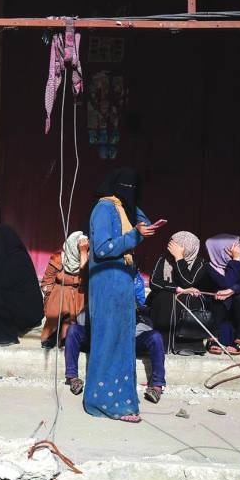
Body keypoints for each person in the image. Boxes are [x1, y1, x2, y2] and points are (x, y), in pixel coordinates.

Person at [84, 167, 157, 423]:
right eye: (128, 188)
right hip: (106, 283)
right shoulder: (103, 208)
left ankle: (124, 402)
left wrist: (136, 213)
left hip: (123, 283)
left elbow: (142, 223)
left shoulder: (123, 208)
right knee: (108, 342)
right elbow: (103, 248)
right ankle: (101, 401)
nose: (131, 192)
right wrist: (136, 234)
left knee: (123, 344)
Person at [65, 273, 166, 402]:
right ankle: (72, 378)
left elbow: (146, 325)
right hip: (99, 338)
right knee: (73, 330)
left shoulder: (131, 300)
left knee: (155, 337)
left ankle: (157, 386)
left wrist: (127, 326)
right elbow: (81, 320)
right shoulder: (99, 297)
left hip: (126, 340)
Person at [147, 230, 225, 354]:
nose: (172, 247)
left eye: (178, 245)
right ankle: (162, 344)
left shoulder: (200, 263)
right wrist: (177, 289)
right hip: (165, 295)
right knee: (164, 297)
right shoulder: (163, 258)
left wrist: (179, 258)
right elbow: (154, 283)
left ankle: (186, 345)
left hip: (190, 298)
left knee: (188, 298)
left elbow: (187, 282)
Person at [0, 225, 44, 346]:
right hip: (11, 303)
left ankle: (7, 336)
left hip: (28, 309)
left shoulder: (18, 258)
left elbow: (1, 283)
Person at [205, 234, 240, 354]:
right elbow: (227, 282)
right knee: (219, 298)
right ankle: (213, 338)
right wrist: (235, 261)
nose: (239, 249)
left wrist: (233, 290)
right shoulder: (210, 266)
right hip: (220, 308)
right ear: (221, 250)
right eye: (234, 246)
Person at [39, 231, 88, 348]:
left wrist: (83, 253)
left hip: (79, 294)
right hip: (60, 294)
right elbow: (48, 280)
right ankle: (51, 336)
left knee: (76, 316)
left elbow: (86, 275)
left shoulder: (87, 257)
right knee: (59, 302)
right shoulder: (58, 258)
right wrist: (47, 298)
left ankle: (69, 338)